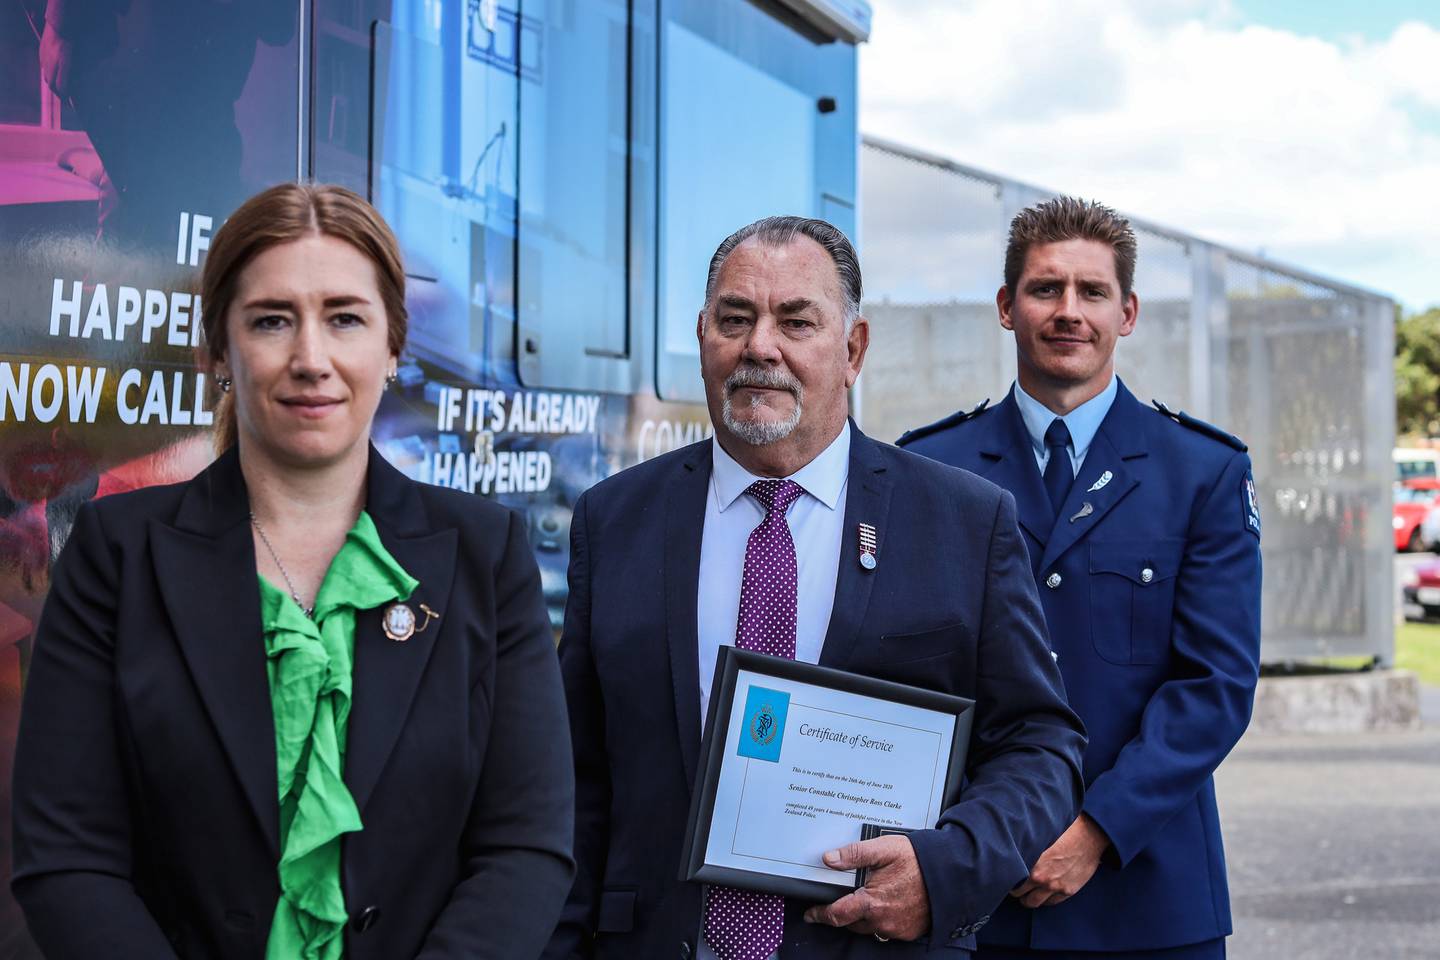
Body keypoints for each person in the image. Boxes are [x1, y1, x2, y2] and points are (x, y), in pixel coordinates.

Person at [11, 182, 575, 959]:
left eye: (345, 318)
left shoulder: (487, 554)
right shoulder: (117, 553)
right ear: (217, 351)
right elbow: (67, 857)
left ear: (392, 346)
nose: (312, 359)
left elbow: (526, 846)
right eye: (272, 320)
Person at [545, 216, 1086, 960]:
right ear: (703, 336)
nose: (759, 346)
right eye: (736, 319)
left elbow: (1040, 743)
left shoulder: (963, 524)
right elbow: (572, 775)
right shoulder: (614, 522)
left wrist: (945, 867)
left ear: (853, 350)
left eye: (796, 321)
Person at [898, 197, 1262, 960]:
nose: (1070, 312)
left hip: (1147, 898)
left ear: (1126, 313)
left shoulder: (1202, 471)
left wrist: (1097, 830)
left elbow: (1215, 685)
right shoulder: (930, 469)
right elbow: (907, 670)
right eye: (1045, 289)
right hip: (975, 897)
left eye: (1092, 292)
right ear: (1007, 306)